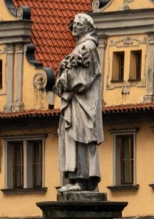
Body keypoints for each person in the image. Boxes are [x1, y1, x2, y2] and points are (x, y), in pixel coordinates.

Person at [53, 12, 102, 193]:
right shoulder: (81, 47)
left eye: (79, 23)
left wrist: (65, 81)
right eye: (74, 22)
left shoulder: (87, 47)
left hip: (83, 103)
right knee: (76, 138)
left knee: (81, 137)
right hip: (78, 102)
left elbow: (83, 78)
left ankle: (82, 181)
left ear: (88, 27)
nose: (74, 25)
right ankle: (80, 181)